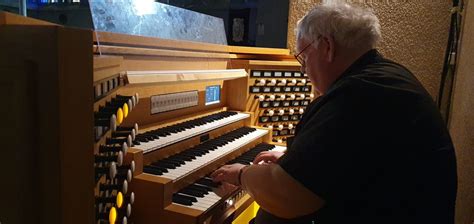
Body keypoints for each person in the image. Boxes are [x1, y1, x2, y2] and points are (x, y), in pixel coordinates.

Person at [211, 2, 457, 224]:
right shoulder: (385, 77)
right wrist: (294, 162)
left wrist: (243, 175)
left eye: (303, 58)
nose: (304, 70)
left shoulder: (355, 95)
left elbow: (288, 196)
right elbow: (342, 162)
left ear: (326, 47)